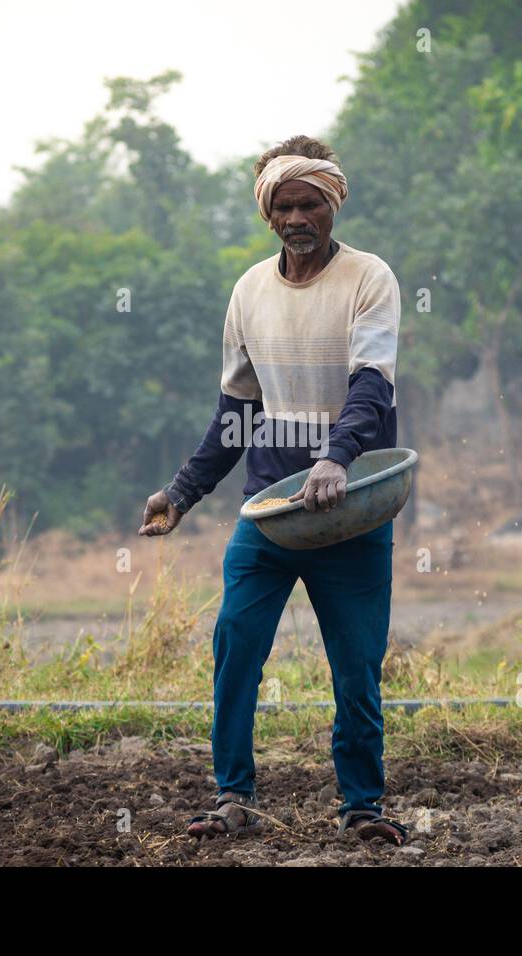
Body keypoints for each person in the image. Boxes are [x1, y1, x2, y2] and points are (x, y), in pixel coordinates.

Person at [138, 135, 407, 845]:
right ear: (268, 215)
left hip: (351, 510)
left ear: (332, 203)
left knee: (355, 666)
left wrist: (336, 459)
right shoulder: (249, 291)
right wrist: (183, 492)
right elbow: (237, 413)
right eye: (283, 206)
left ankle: (361, 806)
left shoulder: (369, 278)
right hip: (270, 512)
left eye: (309, 203)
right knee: (235, 647)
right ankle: (232, 796)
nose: (297, 217)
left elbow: (372, 388)